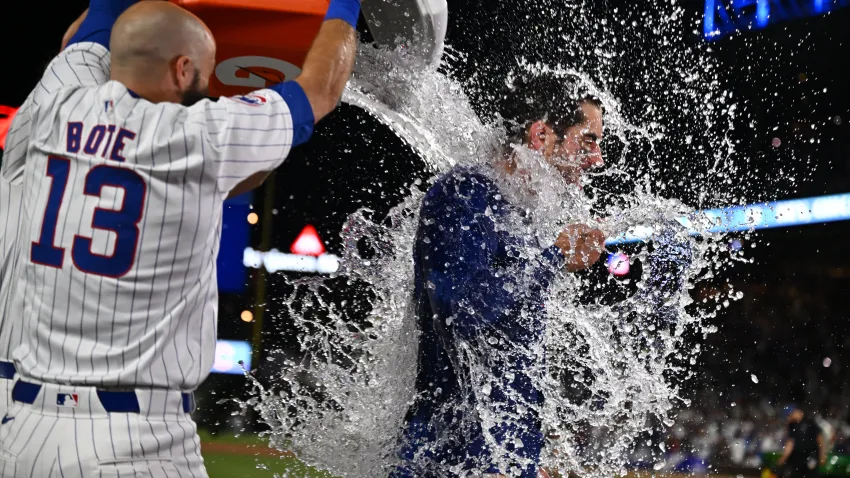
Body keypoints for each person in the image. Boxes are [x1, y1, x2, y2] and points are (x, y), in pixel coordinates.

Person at [0, 0, 360, 475]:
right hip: (130, 444)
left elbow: (98, 21)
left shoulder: (54, 104)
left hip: (19, 429)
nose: (210, 88)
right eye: (205, 75)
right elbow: (319, 89)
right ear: (182, 68)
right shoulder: (196, 137)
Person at [392, 74, 608, 478]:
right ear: (541, 134)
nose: (597, 159)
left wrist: (526, 453)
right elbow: (460, 316)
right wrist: (553, 257)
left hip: (495, 459)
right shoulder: (465, 192)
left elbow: (507, 359)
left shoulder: (522, 216)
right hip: (450, 460)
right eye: (589, 140)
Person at [777, 406, 827, 478]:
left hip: (811, 455)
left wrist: (822, 455)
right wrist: (783, 458)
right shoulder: (792, 425)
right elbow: (790, 443)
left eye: (789, 416)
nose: (788, 419)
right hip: (797, 458)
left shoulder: (809, 422)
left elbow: (820, 439)